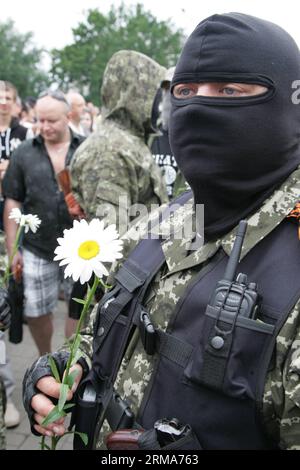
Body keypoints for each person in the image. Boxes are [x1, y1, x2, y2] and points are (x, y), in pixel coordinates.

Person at [22, 13, 300, 450]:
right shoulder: (165, 219)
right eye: (186, 91)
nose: (199, 106)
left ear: (287, 102)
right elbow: (102, 333)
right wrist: (60, 375)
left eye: (229, 90)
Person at [2, 90, 85, 355]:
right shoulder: (24, 153)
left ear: (68, 117)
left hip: (80, 247)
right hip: (38, 246)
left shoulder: (86, 148)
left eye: (52, 121)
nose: (44, 127)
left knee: (78, 306)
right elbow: (12, 200)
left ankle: (68, 361)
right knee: (36, 310)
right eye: (40, 120)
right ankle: (44, 358)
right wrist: (13, 248)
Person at [70, 50, 168, 233]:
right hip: (135, 261)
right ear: (136, 95)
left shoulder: (129, 141)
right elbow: (112, 241)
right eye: (156, 95)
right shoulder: (108, 151)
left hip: (148, 258)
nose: (162, 105)